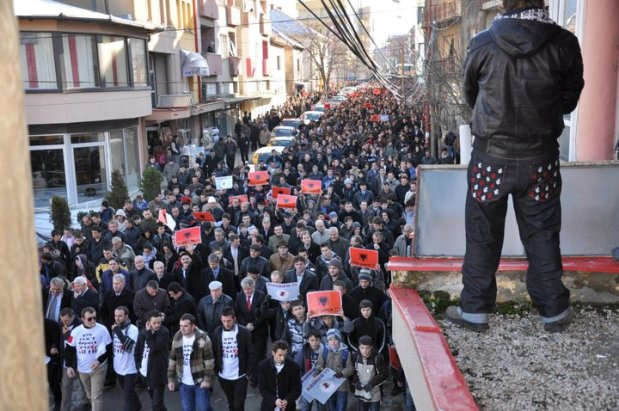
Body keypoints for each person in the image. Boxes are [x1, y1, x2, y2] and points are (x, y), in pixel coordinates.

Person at [447, 0, 584, 333]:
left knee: (482, 233)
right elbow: (570, 97)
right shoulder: (565, 43)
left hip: (490, 157)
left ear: (505, 5)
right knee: (542, 232)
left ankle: (475, 311)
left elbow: (471, 95)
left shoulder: (482, 43)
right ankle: (553, 310)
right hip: (541, 159)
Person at [64, 306, 112, 411]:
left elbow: (109, 348)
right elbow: (69, 349)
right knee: (89, 394)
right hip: (82, 369)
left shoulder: (102, 329)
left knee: (96, 396)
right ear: (82, 319)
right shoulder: (76, 332)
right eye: (90, 319)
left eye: (95, 318)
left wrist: (99, 361)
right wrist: (69, 366)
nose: (93, 320)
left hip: (98, 368)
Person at [168, 313, 215, 411]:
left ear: (193, 326)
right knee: (187, 408)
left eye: (185, 326)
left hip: (200, 380)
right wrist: (171, 379)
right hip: (184, 381)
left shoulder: (203, 338)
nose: (182, 329)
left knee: (204, 408)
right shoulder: (177, 338)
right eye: (180, 326)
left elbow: (209, 361)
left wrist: (207, 380)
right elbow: (172, 359)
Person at [212, 307, 256, 411]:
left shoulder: (244, 332)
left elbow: (251, 353)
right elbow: (214, 351)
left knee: (238, 405)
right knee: (231, 403)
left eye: (229, 321)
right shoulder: (217, 332)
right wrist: (216, 370)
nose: (226, 324)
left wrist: (249, 372)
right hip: (223, 375)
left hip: (240, 375)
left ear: (234, 319)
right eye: (223, 321)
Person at [135, 310, 170, 411]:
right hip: (145, 373)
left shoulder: (164, 332)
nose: (157, 325)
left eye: (159, 322)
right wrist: (138, 366)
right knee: (157, 403)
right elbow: (137, 350)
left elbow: (154, 347)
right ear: (148, 322)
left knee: (156, 404)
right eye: (154, 323)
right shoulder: (142, 333)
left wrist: (148, 333)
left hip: (158, 373)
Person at [315, 329, 354, 411]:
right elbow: (318, 365)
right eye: (330, 339)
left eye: (335, 339)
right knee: (331, 407)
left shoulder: (346, 352)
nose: (333, 342)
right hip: (328, 385)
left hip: (342, 386)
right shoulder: (324, 351)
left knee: (341, 406)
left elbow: (350, 368)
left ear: (339, 340)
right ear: (327, 341)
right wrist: (324, 371)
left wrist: (342, 373)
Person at [257, 340, 302, 411]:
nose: (282, 358)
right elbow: (262, 389)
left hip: (288, 407)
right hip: (268, 407)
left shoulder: (294, 367)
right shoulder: (263, 366)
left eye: (285, 355)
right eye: (280, 355)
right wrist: (274, 400)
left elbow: (297, 389)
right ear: (273, 353)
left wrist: (287, 400)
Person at [111, 306, 141, 411]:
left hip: (130, 368)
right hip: (118, 366)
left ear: (126, 316)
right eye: (115, 316)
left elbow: (128, 346)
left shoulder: (133, 329)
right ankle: (137, 406)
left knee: (127, 395)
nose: (117, 318)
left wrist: (118, 331)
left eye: (120, 316)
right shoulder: (115, 328)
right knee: (128, 391)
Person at [351, 336, 388, 411]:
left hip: (374, 393)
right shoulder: (356, 357)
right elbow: (353, 372)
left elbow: (384, 374)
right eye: (362, 348)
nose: (365, 350)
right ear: (359, 347)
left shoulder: (377, 358)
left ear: (371, 347)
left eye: (367, 348)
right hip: (361, 392)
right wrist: (355, 382)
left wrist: (371, 384)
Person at [294, 330, 326, 411]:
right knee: (305, 406)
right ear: (308, 340)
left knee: (321, 407)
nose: (314, 343)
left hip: (320, 383)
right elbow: (296, 367)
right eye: (312, 340)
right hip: (307, 383)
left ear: (320, 340)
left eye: (317, 340)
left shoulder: (325, 351)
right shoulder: (304, 351)